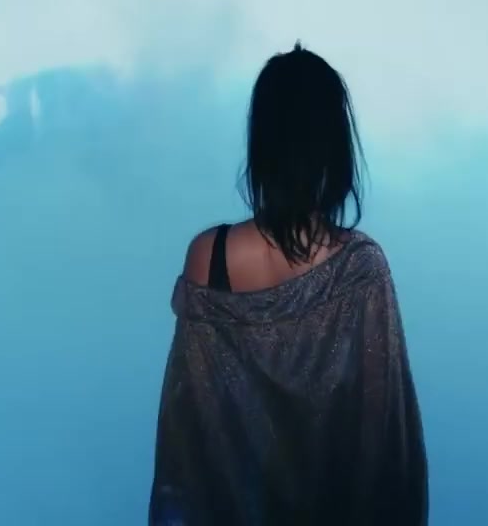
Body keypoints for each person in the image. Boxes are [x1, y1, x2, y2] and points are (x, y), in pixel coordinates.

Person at [149, 42, 427, 526]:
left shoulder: (208, 258)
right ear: (335, 145)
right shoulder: (362, 268)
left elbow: (185, 447)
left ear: (263, 141)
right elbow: (386, 446)